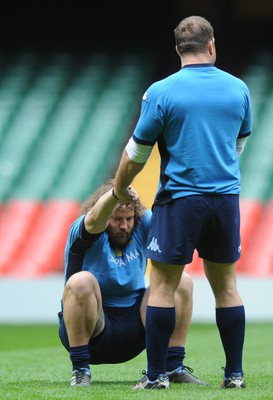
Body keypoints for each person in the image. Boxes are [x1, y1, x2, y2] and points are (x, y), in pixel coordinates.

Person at [114, 15, 252, 390]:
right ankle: (234, 376)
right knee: (226, 286)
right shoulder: (239, 89)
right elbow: (238, 144)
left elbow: (137, 151)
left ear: (177, 50)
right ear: (212, 46)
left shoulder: (161, 91)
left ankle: (157, 376)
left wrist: (119, 188)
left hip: (179, 199)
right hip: (225, 199)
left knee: (162, 286)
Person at [58, 179, 208, 388]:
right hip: (94, 329)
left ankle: (173, 367)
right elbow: (94, 220)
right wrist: (116, 193)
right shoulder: (84, 228)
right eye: (116, 219)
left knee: (181, 281)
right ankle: (80, 370)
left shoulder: (140, 224)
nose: (124, 226)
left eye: (128, 219)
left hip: (136, 327)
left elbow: (166, 225)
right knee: (81, 281)